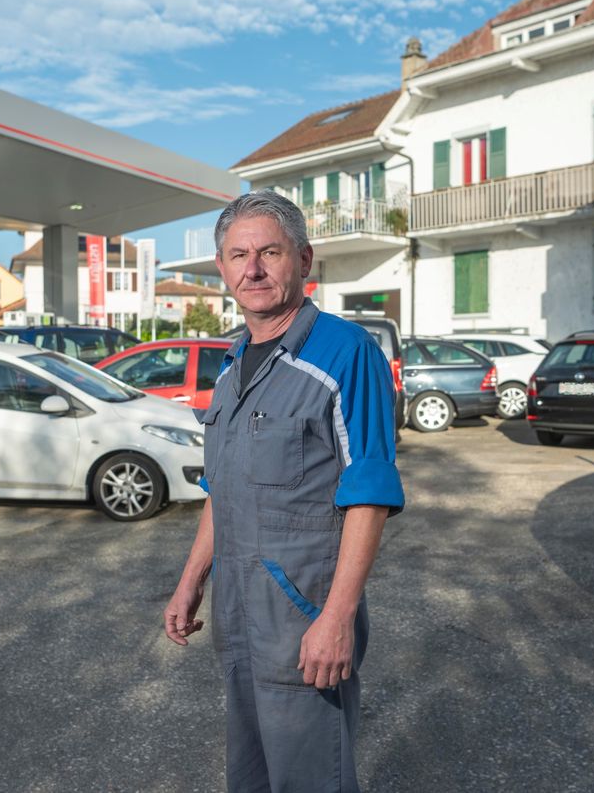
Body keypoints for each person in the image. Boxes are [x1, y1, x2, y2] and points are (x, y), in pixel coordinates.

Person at [164, 190, 403, 792]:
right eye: (238, 255)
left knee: (311, 777)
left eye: (270, 251)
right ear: (221, 268)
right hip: (238, 613)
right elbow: (224, 487)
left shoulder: (346, 352)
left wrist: (338, 616)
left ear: (304, 258)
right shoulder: (233, 362)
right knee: (251, 775)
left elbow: (369, 490)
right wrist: (192, 580)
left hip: (304, 617)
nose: (254, 269)